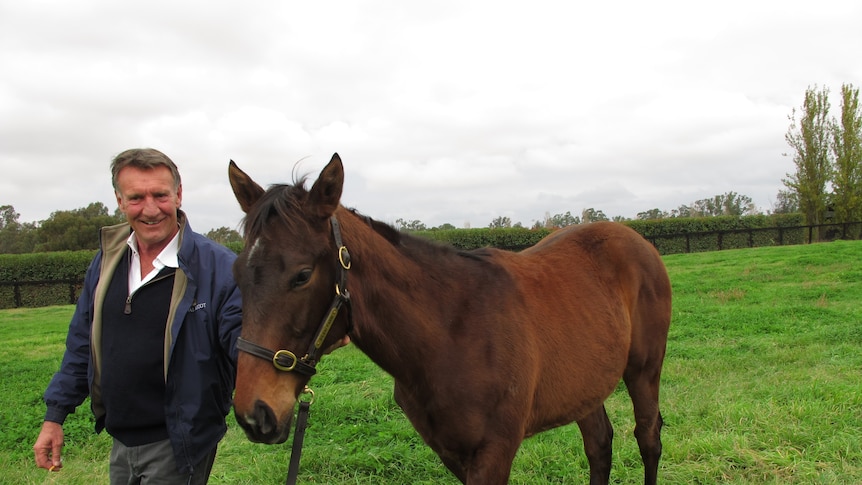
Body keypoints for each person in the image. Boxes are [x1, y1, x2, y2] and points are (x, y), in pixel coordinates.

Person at [33, 148, 243, 484]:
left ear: (178, 194)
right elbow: (81, 344)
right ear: (119, 200)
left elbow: (244, 344)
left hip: (179, 441)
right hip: (120, 438)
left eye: (160, 195)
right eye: (136, 197)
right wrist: (54, 416)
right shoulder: (107, 261)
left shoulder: (219, 267)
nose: (150, 209)